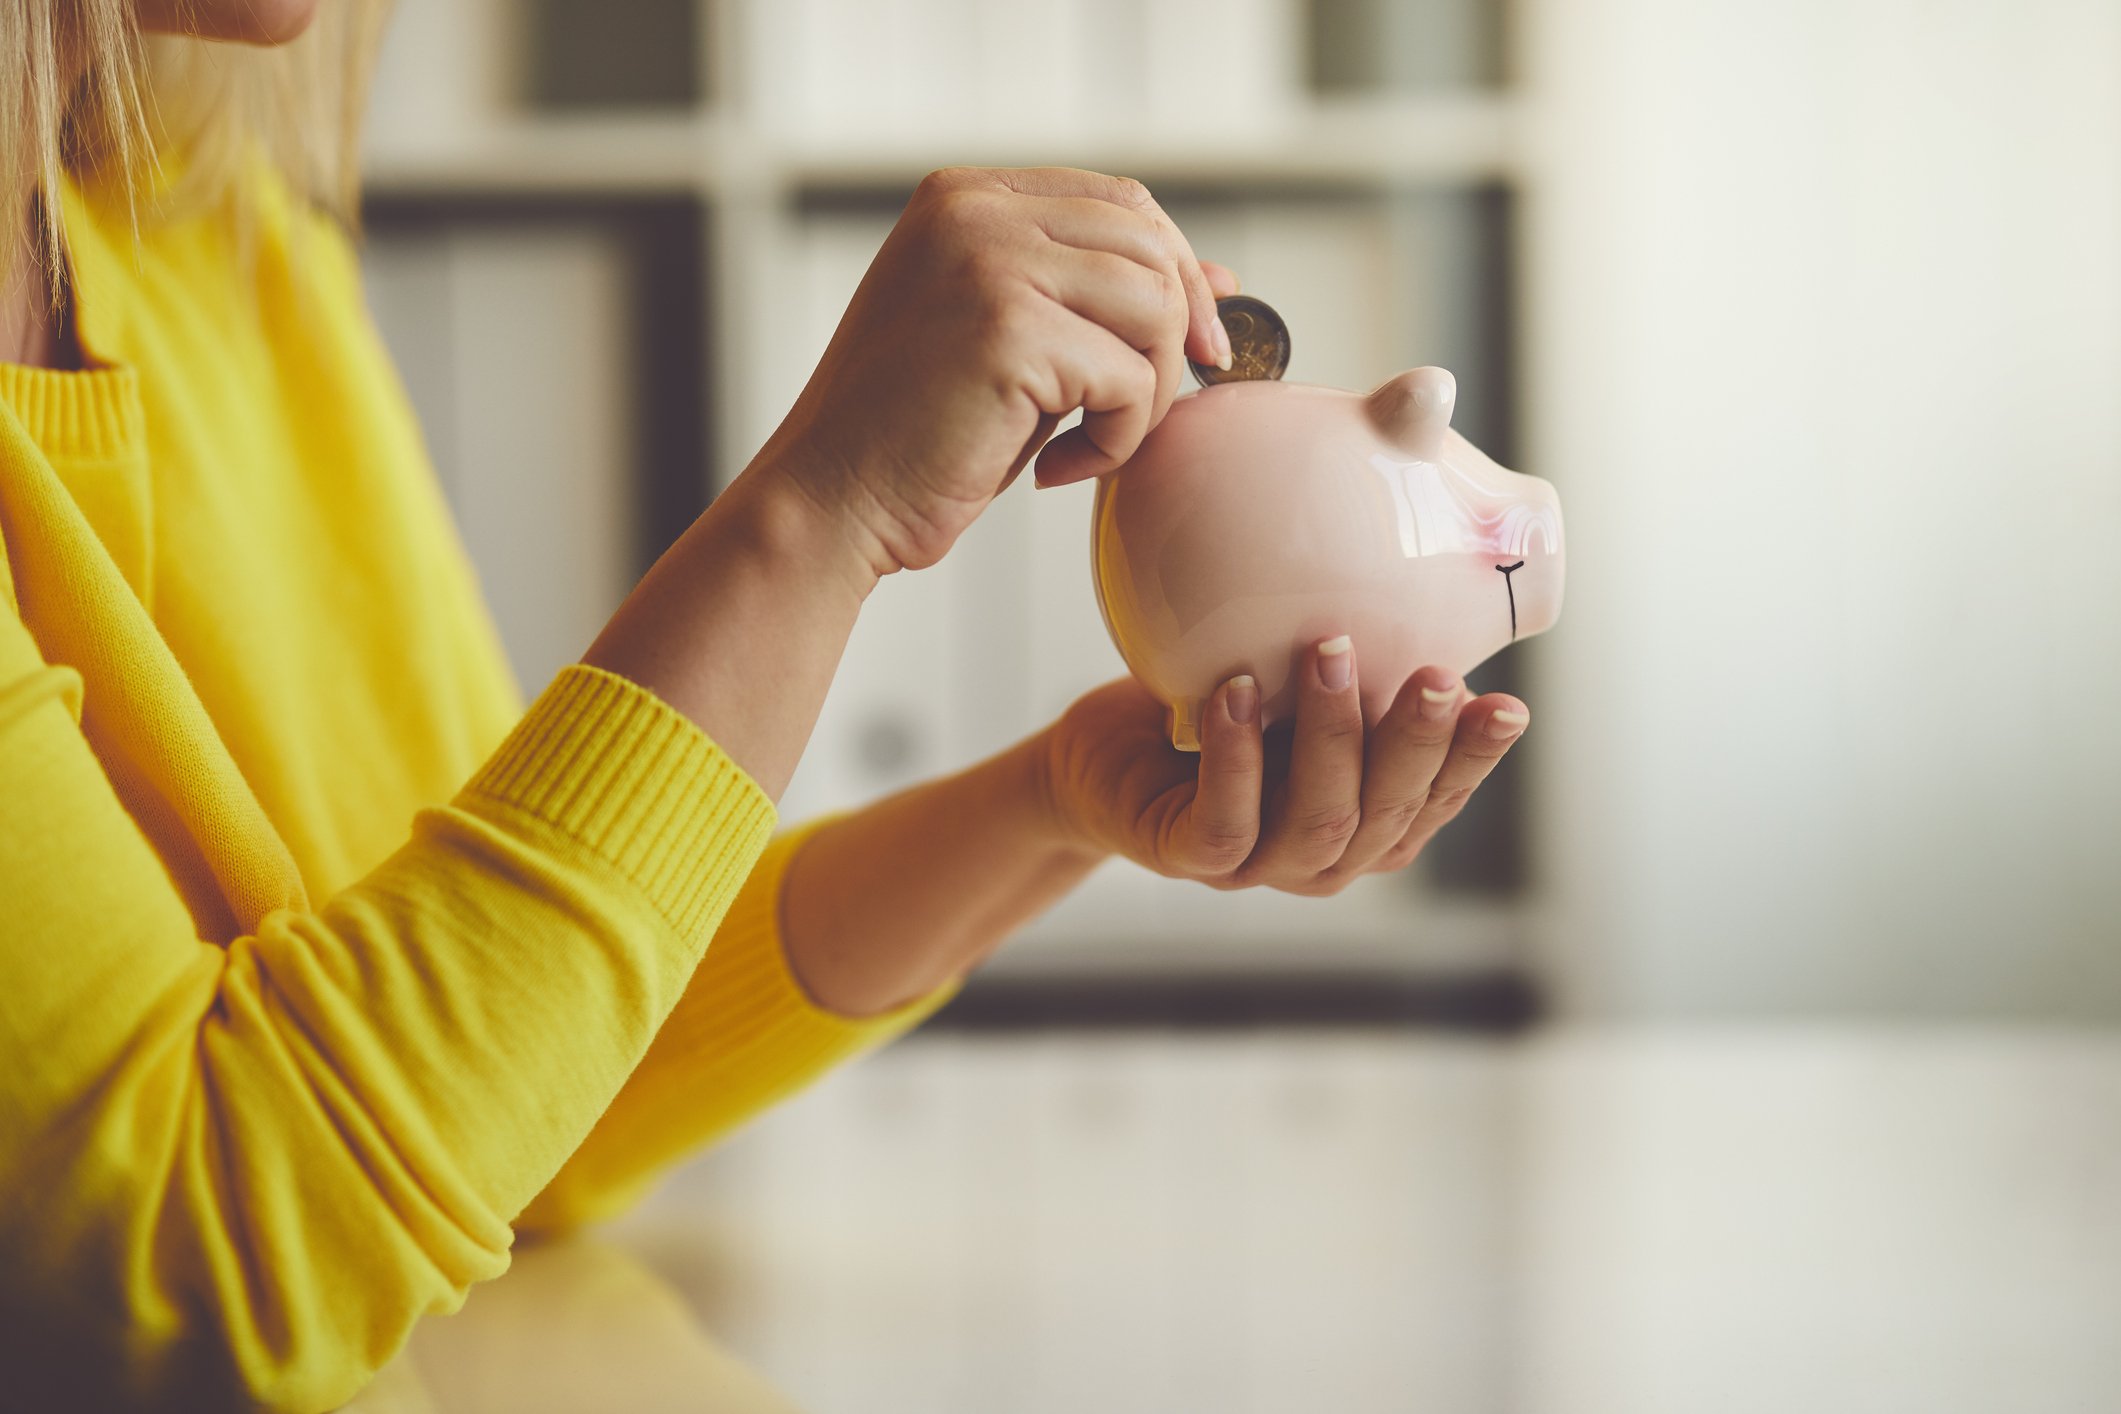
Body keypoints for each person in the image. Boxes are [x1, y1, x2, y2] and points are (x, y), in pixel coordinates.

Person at [0, 2, 1532, 1408]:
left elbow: (519, 1101)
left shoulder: (226, 260)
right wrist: (822, 512)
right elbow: (184, 1271)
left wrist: (1060, 796)